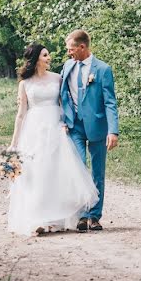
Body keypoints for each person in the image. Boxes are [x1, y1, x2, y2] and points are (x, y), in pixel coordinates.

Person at [7, 43, 99, 236]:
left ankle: (55, 219)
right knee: (36, 173)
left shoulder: (58, 78)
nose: (49, 58)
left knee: (55, 172)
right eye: (45, 55)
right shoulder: (25, 83)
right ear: (36, 59)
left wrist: (67, 122)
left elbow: (65, 103)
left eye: (48, 55)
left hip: (55, 128)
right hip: (34, 130)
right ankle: (38, 219)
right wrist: (14, 142)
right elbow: (21, 114)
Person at [59, 30, 119, 232]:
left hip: (98, 128)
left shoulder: (103, 69)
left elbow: (110, 102)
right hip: (75, 126)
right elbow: (61, 94)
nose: (69, 53)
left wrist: (113, 131)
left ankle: (94, 216)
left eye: (71, 49)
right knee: (79, 170)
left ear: (82, 47)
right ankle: (82, 215)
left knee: (97, 173)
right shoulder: (67, 67)